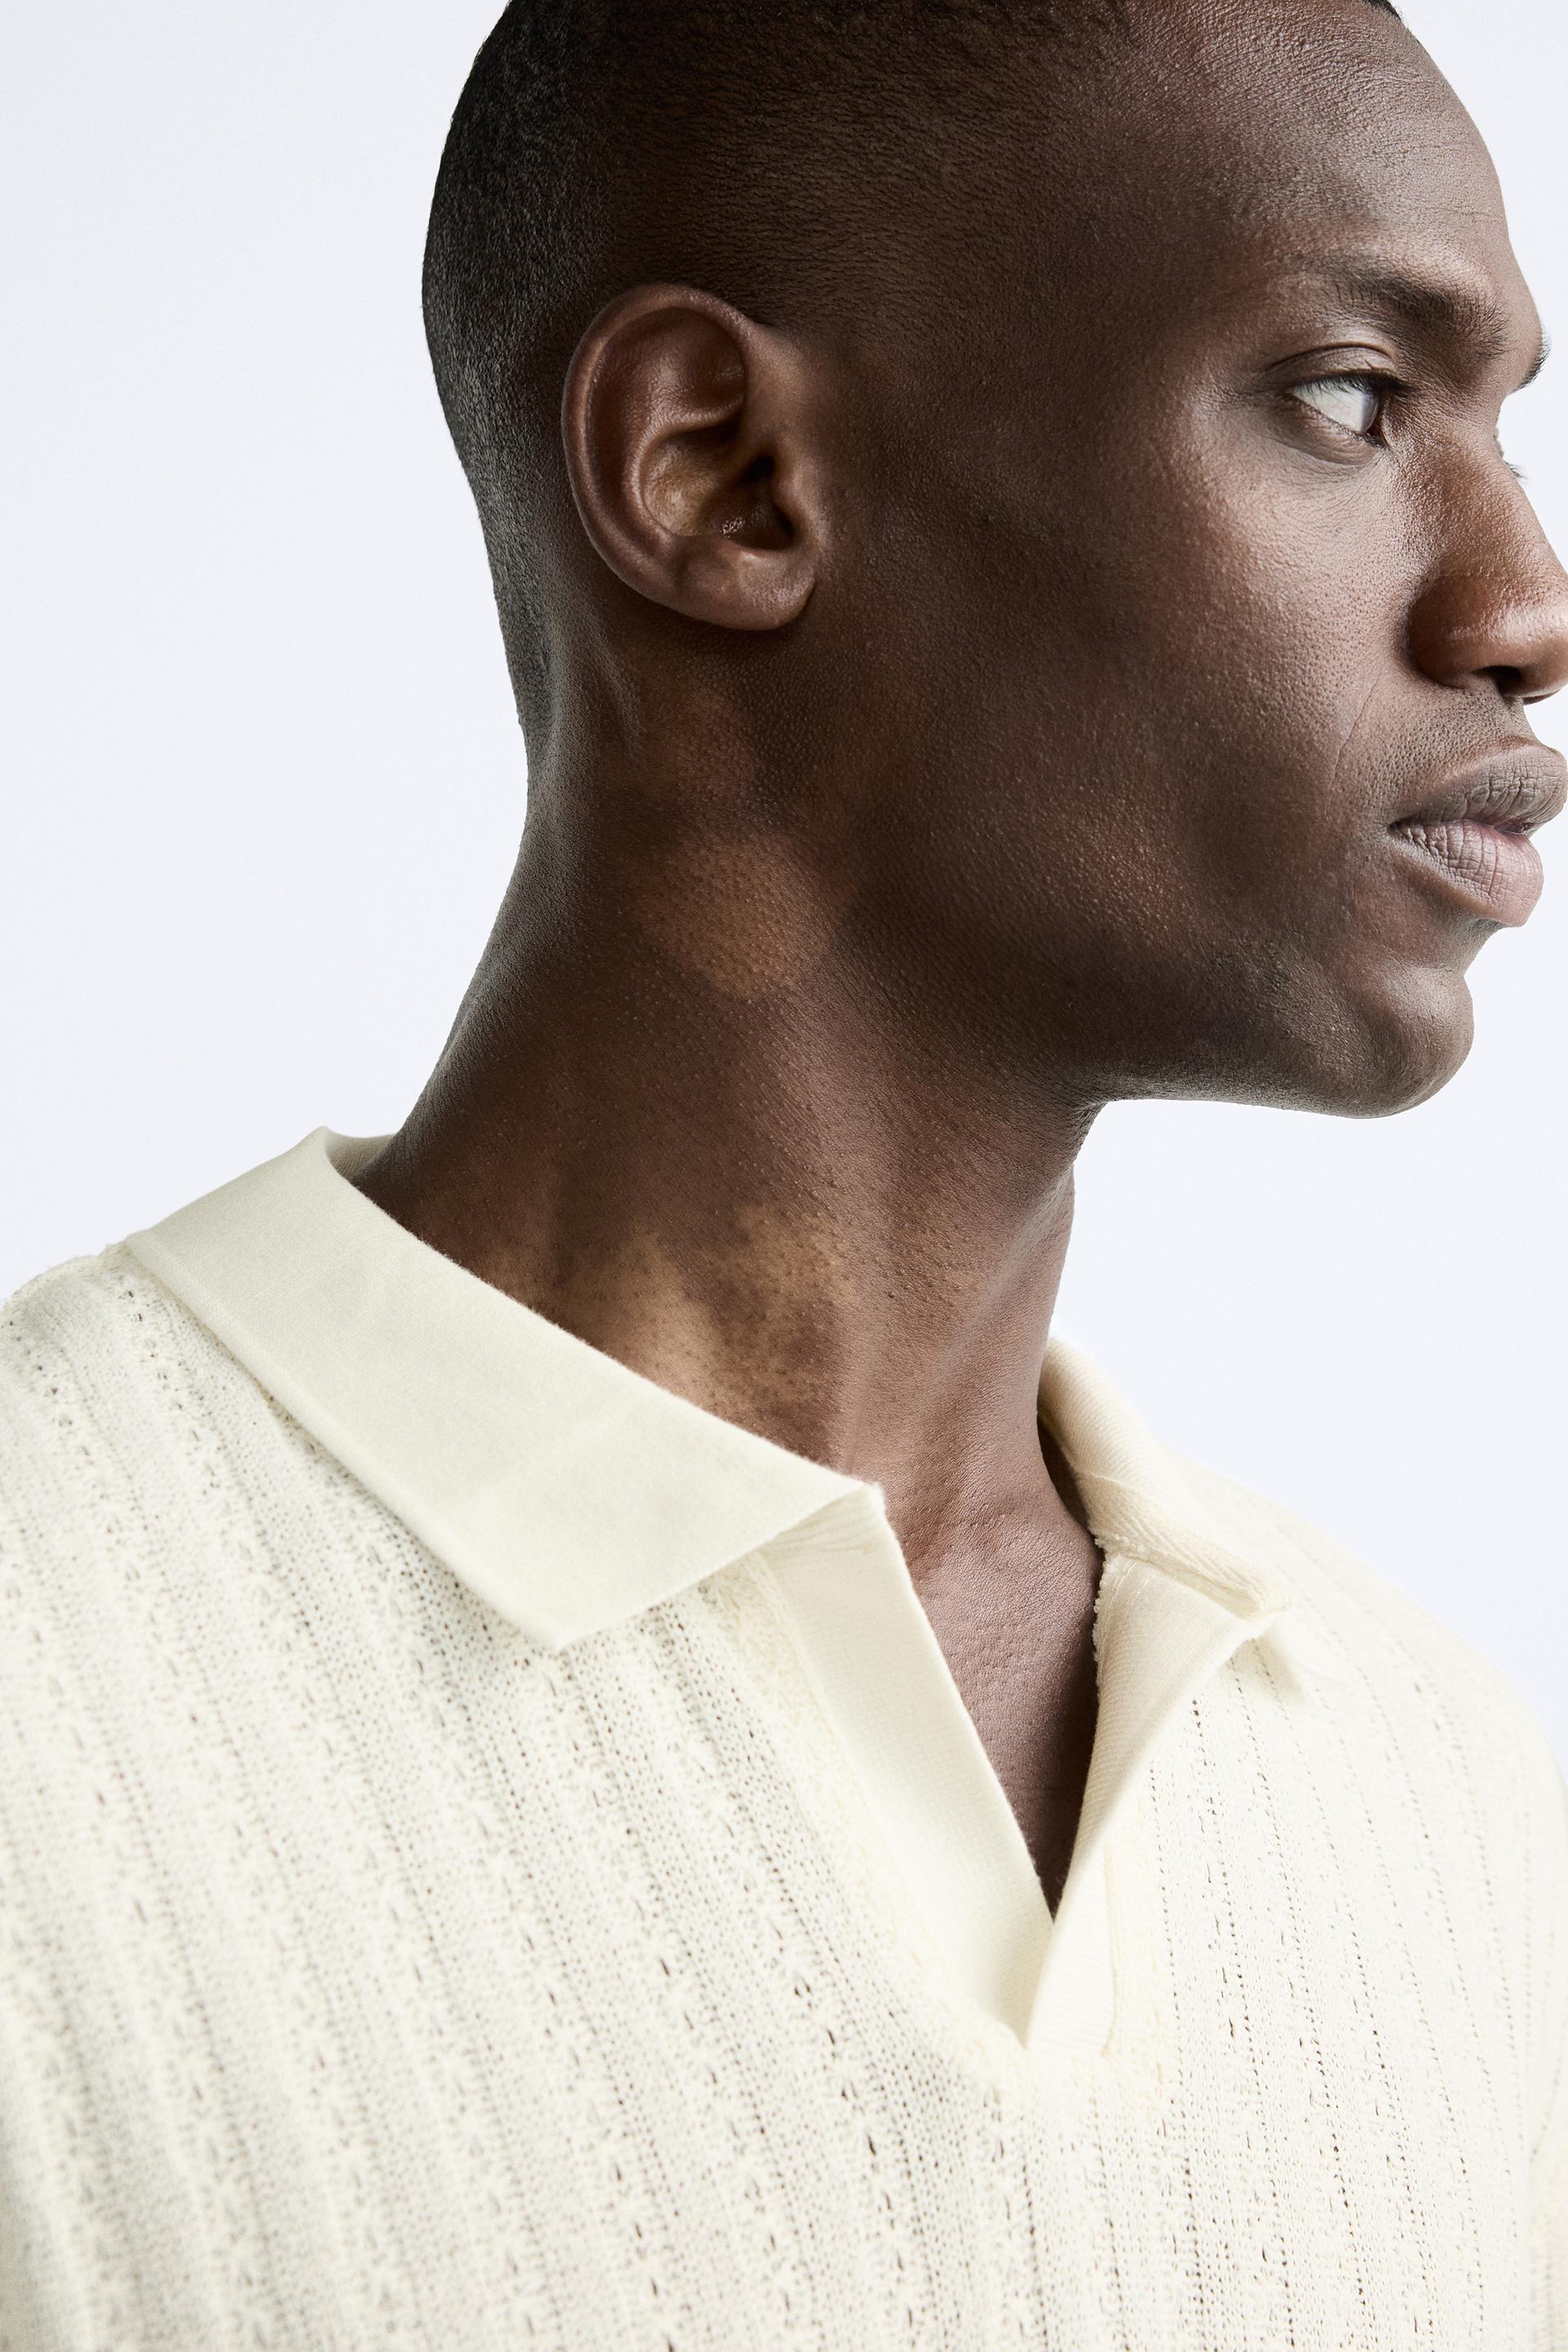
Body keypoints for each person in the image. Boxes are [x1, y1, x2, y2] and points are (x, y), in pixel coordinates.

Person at [2, 0, 1566, 2341]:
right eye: (1354, 401)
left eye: (1502, 425)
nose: (1523, 610)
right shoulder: (53, 1675)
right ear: (720, 475)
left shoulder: (1447, 1808)